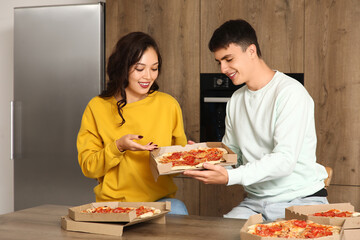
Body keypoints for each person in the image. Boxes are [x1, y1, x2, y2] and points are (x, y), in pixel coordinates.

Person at [183, 19, 328, 221]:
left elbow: (284, 160)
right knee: (218, 233)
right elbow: (233, 155)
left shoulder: (290, 93)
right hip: (255, 203)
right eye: (219, 62)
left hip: (300, 200)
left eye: (228, 59)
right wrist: (205, 158)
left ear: (251, 51)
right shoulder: (236, 100)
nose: (223, 68)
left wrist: (229, 177)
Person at [77, 32, 188, 215]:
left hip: (159, 202)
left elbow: (174, 170)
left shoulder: (169, 105)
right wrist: (118, 147)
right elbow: (89, 167)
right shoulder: (97, 107)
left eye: (154, 68)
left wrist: (183, 157)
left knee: (178, 209)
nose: (148, 76)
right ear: (123, 67)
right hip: (115, 205)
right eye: (139, 69)